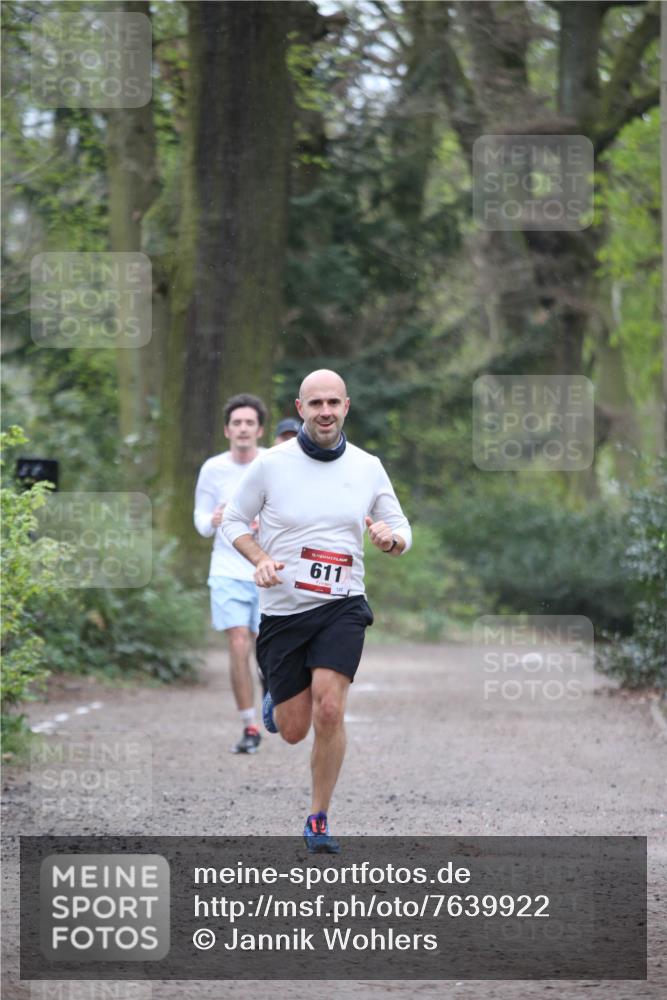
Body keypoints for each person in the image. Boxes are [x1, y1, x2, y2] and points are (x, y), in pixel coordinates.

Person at [222, 370, 411, 851]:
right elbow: (235, 521)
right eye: (315, 403)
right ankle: (276, 696)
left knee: (330, 708)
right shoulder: (271, 465)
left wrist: (392, 540)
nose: (325, 411)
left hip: (342, 605)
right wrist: (260, 559)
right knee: (292, 730)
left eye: (333, 402)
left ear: (347, 406)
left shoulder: (367, 466)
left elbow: (398, 523)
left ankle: (319, 818)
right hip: (284, 611)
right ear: (300, 407)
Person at [194, 393, 267, 755]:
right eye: (236, 423)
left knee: (266, 649)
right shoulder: (213, 469)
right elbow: (200, 522)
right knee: (239, 643)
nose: (242, 429)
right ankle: (249, 724)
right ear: (227, 430)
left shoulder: (272, 463)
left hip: (266, 570)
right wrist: (215, 519)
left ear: (259, 430)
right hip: (225, 570)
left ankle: (270, 691)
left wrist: (263, 522)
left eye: (248, 423)